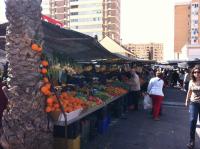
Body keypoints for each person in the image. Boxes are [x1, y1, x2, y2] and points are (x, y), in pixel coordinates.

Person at [185, 65, 200, 149]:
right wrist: (186, 100)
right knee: (193, 120)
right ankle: (191, 141)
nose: (196, 74)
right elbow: (189, 92)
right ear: (193, 73)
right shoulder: (191, 82)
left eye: (198, 72)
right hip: (193, 103)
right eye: (195, 72)